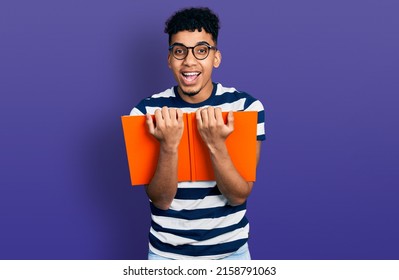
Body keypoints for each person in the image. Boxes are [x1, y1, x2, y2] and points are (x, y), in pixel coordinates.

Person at [129, 7, 265, 260]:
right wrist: (169, 145)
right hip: (166, 256)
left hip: (231, 255)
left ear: (216, 57)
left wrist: (215, 144)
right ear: (169, 59)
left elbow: (238, 196)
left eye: (201, 50)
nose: (189, 61)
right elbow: (160, 200)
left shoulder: (246, 108)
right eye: (180, 51)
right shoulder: (145, 112)